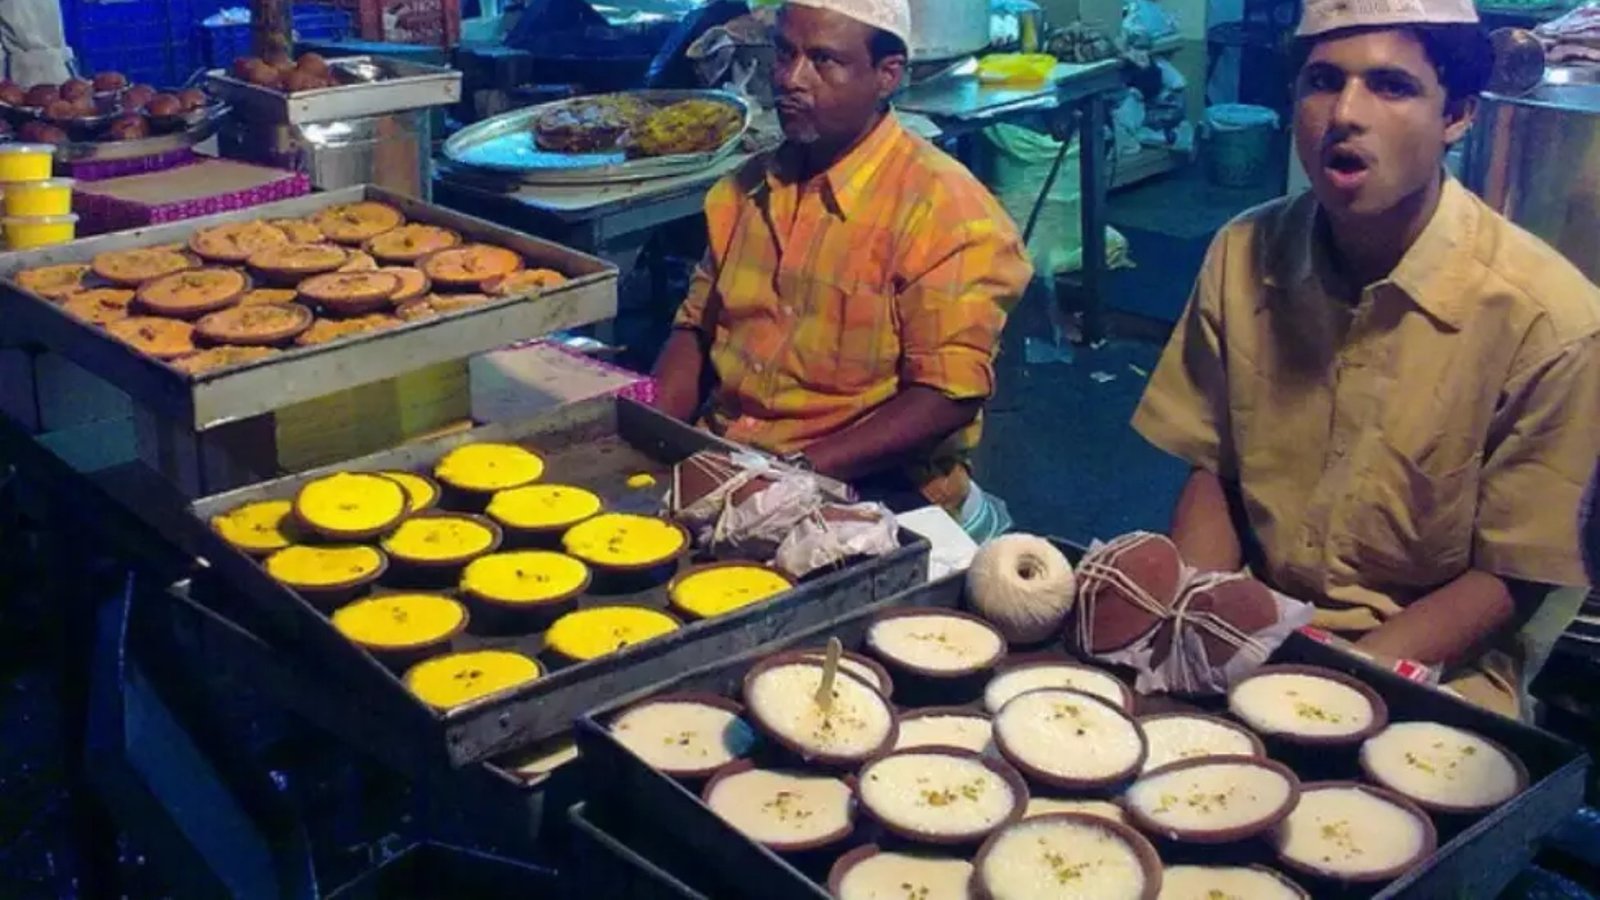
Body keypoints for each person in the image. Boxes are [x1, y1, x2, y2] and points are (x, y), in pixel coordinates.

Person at [1132, 0, 1600, 718]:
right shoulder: (1242, 253)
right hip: (1258, 620)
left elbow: (1515, 574)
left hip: (1440, 665)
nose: (1344, 112)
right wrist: (1197, 616)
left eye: (1391, 86)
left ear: (1459, 115)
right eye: (1322, 80)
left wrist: (1336, 679)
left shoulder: (1551, 322)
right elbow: (1214, 467)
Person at [652, 0, 1033, 537]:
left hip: (869, 486)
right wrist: (649, 435)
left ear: (887, 75)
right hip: (735, 458)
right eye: (784, 54)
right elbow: (694, 327)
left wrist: (797, 475)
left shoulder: (947, 213)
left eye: (823, 60)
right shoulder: (746, 190)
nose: (790, 80)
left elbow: (948, 395)